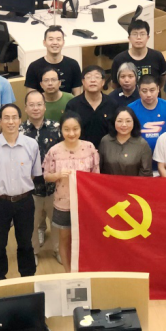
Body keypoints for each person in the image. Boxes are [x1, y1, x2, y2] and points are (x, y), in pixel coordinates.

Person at [0, 104, 43, 281]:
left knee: (25, 243)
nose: (10, 121)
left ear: (20, 120)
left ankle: (28, 278)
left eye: (14, 117)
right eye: (6, 118)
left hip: (24, 201)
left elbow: (34, 174)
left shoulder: (31, 144)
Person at [43, 112, 100, 271]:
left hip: (86, 203)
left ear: (80, 129)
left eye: (75, 129)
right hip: (63, 202)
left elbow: (96, 175)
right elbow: (46, 176)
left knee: (85, 238)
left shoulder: (89, 148)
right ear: (61, 130)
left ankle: (85, 270)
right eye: (67, 129)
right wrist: (57, 175)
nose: (71, 133)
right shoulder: (54, 151)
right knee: (65, 238)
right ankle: (69, 273)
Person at [19, 90, 61, 261]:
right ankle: (34, 252)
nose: (35, 108)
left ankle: (58, 250)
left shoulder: (56, 128)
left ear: (44, 107)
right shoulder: (19, 131)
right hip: (30, 188)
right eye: (31, 105)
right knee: (31, 223)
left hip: (55, 186)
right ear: (25, 108)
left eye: (39, 104)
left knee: (57, 222)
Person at [65, 65, 118, 148]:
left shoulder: (112, 104)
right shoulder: (73, 105)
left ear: (103, 82)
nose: (93, 80)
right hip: (80, 151)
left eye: (97, 77)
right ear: (83, 81)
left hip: (107, 150)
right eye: (88, 77)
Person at [128, 74, 166, 164]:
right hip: (139, 160)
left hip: (164, 159)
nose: (148, 95)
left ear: (158, 89)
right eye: (144, 91)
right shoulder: (131, 108)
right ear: (139, 90)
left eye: (152, 90)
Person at [24, 26, 83, 96]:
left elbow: (77, 95)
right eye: (51, 39)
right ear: (44, 42)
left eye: (58, 39)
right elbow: (31, 97)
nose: (55, 43)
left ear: (63, 42)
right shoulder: (34, 67)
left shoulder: (73, 65)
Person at [99, 106, 153, 177]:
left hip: (134, 184)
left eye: (128, 121)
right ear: (114, 122)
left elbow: (146, 172)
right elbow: (99, 168)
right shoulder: (105, 141)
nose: (124, 125)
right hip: (108, 183)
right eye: (119, 121)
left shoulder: (142, 144)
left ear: (134, 122)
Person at [110, 20, 166, 85]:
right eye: (135, 34)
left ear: (148, 37)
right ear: (129, 38)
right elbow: (114, 84)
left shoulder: (157, 56)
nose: (138, 37)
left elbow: (162, 79)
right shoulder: (119, 60)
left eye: (142, 34)